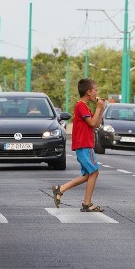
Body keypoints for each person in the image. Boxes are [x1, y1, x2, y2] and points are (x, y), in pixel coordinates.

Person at [52, 78, 106, 212]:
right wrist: (98, 108)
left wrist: (101, 110)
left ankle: (61, 189)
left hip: (86, 145)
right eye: (95, 90)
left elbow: (96, 124)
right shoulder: (81, 106)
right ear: (88, 92)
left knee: (88, 175)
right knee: (94, 172)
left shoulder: (85, 107)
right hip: (84, 145)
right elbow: (92, 123)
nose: (96, 93)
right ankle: (86, 204)